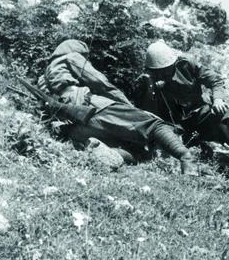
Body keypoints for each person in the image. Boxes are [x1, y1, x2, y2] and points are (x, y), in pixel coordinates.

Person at [37, 39, 198, 174]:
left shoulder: (43, 77)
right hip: (85, 106)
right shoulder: (72, 57)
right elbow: (101, 83)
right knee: (152, 124)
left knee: (138, 149)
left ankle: (107, 154)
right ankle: (188, 159)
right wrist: (131, 109)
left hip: (70, 125)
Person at [136, 41, 229, 147]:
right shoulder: (146, 82)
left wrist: (218, 99)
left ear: (174, 63)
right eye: (160, 71)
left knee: (221, 114)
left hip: (199, 114)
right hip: (175, 126)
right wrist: (149, 88)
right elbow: (146, 114)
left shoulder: (186, 65)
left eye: (167, 68)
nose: (165, 73)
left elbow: (215, 80)